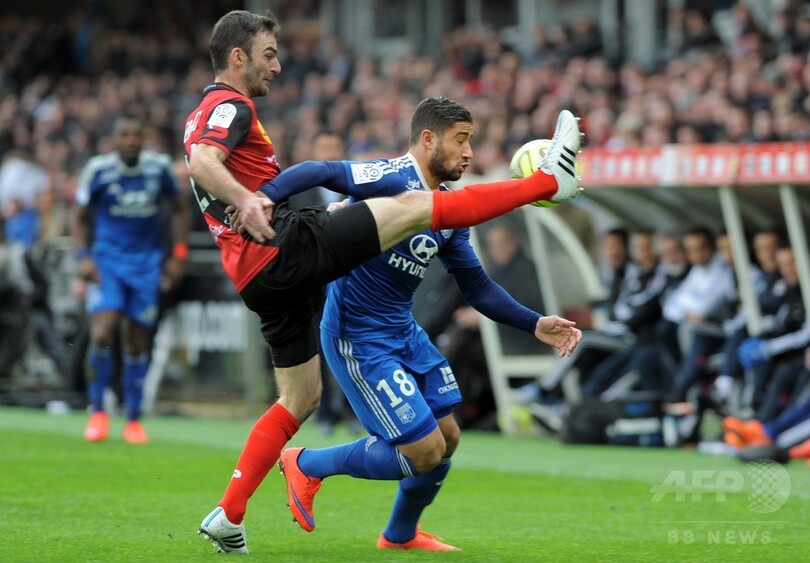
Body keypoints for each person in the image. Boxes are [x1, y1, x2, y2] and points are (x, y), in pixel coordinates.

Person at [187, 10, 583, 555]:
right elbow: (244, 163)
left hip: (276, 282)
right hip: (305, 273)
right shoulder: (233, 107)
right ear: (238, 56)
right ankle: (545, 181)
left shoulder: (449, 219)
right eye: (269, 54)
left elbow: (476, 286)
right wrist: (259, 197)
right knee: (419, 207)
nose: (277, 66)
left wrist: (534, 323)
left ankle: (231, 515)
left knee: (311, 402)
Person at [73, 114, 190, 444]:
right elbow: (79, 216)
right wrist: (83, 257)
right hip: (107, 263)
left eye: (136, 135)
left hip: (146, 266)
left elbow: (181, 208)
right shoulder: (98, 170)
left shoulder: (158, 169)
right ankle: (98, 411)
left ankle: (133, 418)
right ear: (114, 139)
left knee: (137, 340)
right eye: (124, 135)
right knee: (102, 332)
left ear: (144, 138)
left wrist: (178, 255)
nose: (130, 141)